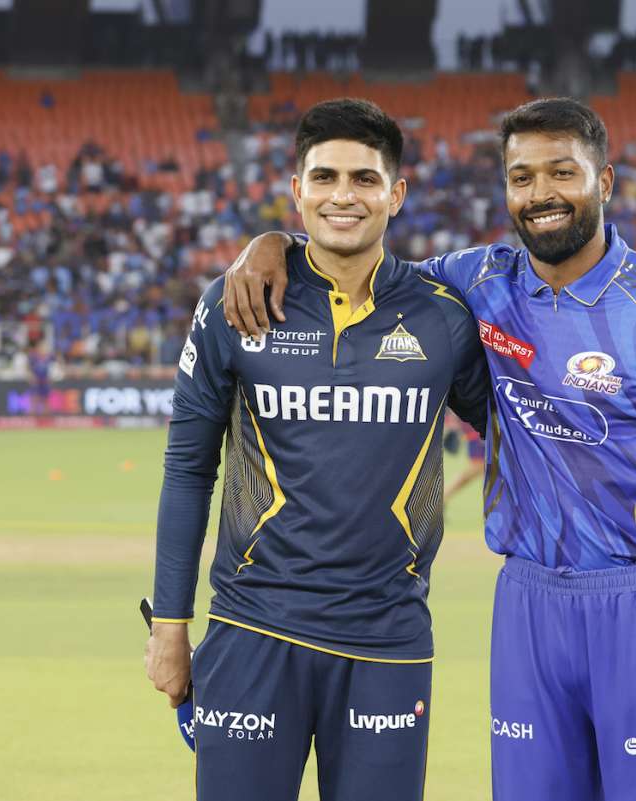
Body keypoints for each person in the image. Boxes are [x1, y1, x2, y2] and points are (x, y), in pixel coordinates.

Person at [225, 98, 636, 801]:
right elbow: (357, 254)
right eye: (522, 177)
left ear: (604, 181)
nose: (541, 194)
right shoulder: (476, 280)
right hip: (528, 604)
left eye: (562, 172)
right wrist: (274, 243)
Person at [143, 99, 493, 801]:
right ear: (296, 189)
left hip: (388, 638)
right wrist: (171, 627)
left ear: (397, 193)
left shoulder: (443, 315)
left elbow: (524, 435)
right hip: (252, 629)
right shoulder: (235, 303)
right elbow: (188, 468)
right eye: (325, 177)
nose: (343, 196)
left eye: (365, 179)